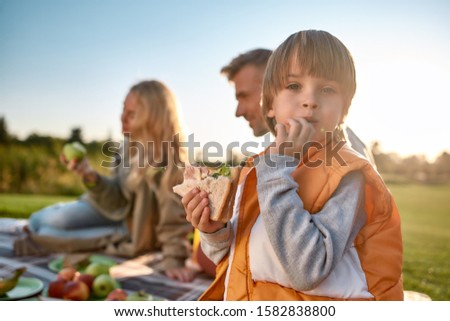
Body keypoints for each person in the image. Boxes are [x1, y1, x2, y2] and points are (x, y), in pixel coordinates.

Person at [183, 30, 403, 300]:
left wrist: (275, 171)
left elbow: (307, 270)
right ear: (270, 103)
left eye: (327, 89)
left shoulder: (346, 173)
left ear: (344, 110)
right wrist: (213, 231)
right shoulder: (259, 168)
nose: (310, 100)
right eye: (294, 86)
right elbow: (236, 259)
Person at [17, 80, 194, 282]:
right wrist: (89, 174)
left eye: (132, 114)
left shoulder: (171, 162)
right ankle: (36, 228)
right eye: (123, 111)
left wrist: (175, 259)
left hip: (131, 231)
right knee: (42, 220)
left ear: (153, 120)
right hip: (109, 210)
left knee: (47, 231)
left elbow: (175, 219)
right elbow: (117, 199)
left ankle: (37, 234)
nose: (122, 119)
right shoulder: (125, 148)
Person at [221, 48, 375, 164]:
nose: (238, 112)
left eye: (244, 96)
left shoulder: (345, 153)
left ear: (268, 91)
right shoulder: (286, 152)